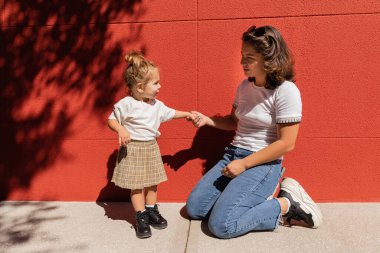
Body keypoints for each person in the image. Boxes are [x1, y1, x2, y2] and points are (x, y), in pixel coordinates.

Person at [186, 25, 323, 239]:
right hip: (232, 156)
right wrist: (208, 121)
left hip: (262, 164)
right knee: (195, 209)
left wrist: (244, 164)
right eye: (242, 56)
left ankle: (286, 204)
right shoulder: (244, 87)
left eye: (249, 57)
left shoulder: (286, 91)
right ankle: (246, 201)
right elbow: (233, 121)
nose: (242, 63)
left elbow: (287, 143)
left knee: (222, 226)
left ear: (269, 59)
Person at [107, 51, 194, 239]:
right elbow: (112, 120)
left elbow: (171, 113)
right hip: (133, 149)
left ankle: (151, 209)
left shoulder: (156, 105)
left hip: (151, 147)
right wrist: (121, 130)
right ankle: (141, 216)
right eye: (155, 83)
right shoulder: (126, 104)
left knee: (153, 182)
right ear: (139, 87)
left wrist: (186, 114)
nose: (159, 86)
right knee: (137, 186)